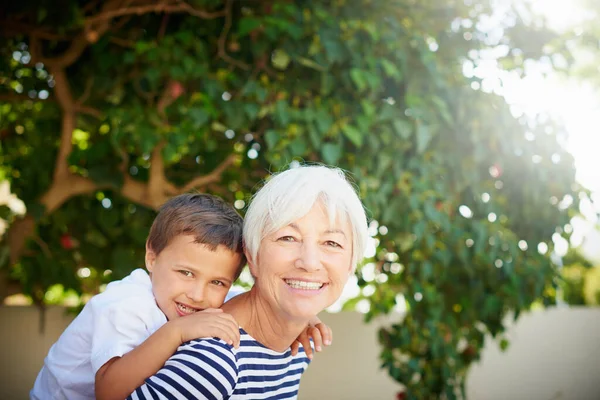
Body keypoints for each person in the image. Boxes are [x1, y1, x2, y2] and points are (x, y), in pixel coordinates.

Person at [31, 194, 330, 400]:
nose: (198, 294)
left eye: (217, 282)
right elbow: (108, 393)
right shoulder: (124, 306)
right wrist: (176, 332)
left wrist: (299, 313)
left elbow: (253, 301)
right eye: (186, 273)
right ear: (152, 256)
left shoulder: (199, 296)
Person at [129, 164, 369, 400]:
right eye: (288, 237)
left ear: (350, 264)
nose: (309, 262)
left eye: (331, 243)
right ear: (252, 255)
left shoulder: (297, 350)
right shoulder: (212, 363)